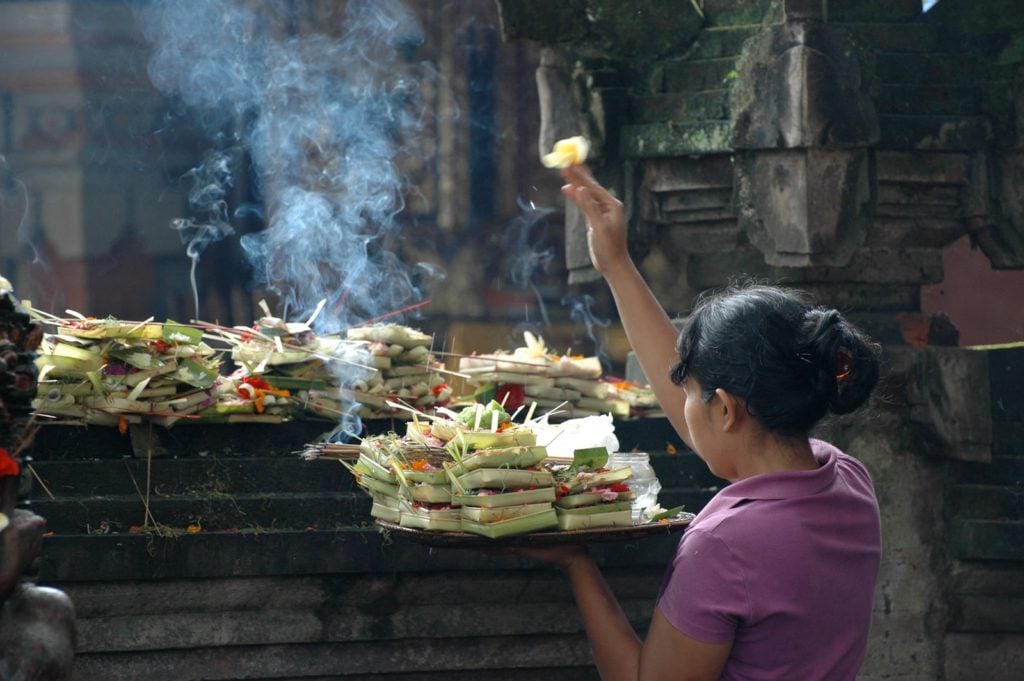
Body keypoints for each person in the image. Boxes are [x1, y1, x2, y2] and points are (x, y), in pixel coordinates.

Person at [526, 164, 883, 681]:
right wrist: (617, 265)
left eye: (691, 391)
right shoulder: (849, 481)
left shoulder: (724, 546)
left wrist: (578, 564)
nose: (681, 402)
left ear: (726, 410)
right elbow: (721, 435)